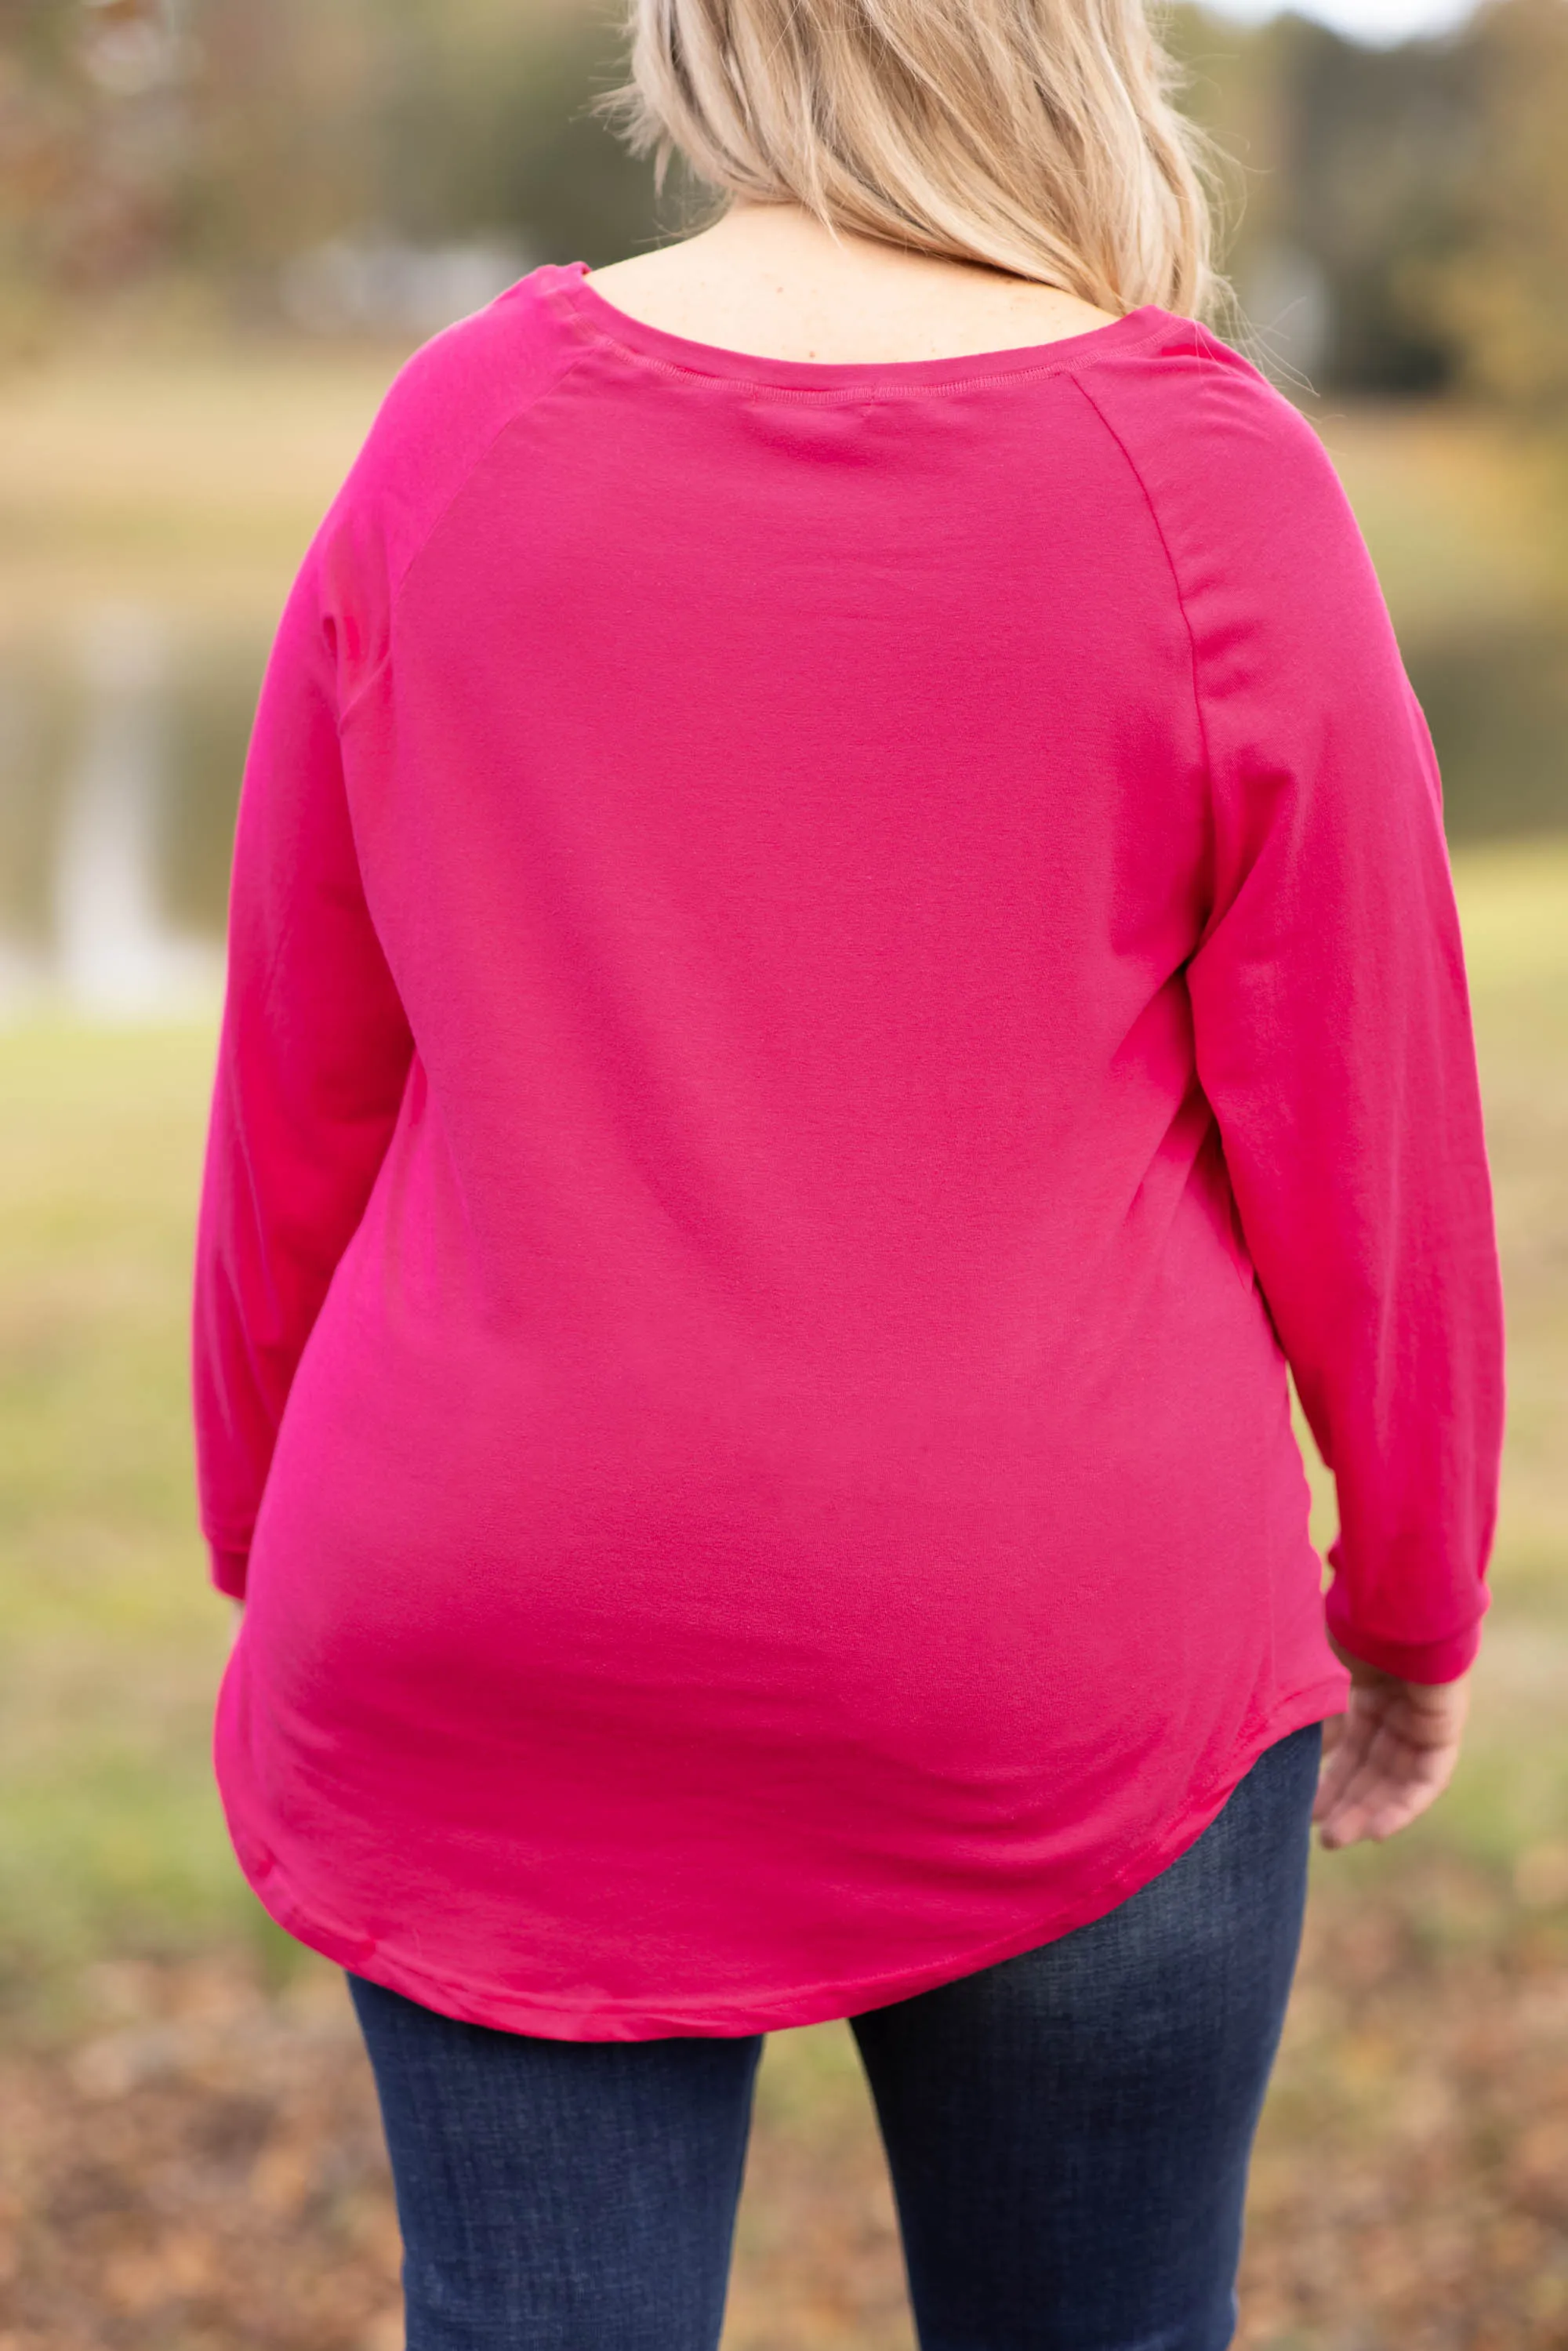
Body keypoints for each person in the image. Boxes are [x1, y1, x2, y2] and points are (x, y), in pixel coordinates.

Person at [191, 0, 1505, 2342]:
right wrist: (1408, 1599)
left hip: (493, 1607)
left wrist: (261, 1508)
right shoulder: (1202, 477)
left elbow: (302, 1051)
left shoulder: (466, 435)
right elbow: (1374, 1141)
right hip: (1054, 1643)